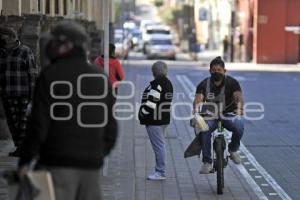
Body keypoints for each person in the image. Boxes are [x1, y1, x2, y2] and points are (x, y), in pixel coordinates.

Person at [18, 21, 118, 200]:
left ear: (66, 45)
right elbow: (111, 128)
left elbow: (38, 124)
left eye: (55, 42)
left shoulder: (51, 75)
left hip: (58, 165)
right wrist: (97, 154)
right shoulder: (100, 77)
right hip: (91, 167)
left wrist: (25, 160)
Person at [193, 56, 244, 174]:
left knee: (239, 126)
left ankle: (233, 149)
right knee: (204, 130)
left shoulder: (232, 82)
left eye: (219, 70)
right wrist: (196, 112)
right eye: (214, 70)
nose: (216, 72)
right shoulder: (204, 84)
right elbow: (198, 99)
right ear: (210, 71)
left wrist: (240, 108)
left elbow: (238, 97)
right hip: (211, 115)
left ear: (224, 71)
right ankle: (207, 162)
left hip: (229, 114)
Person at [0, 26, 39, 156]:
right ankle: (19, 148)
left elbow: (32, 74)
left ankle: (25, 149)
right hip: (7, 94)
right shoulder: (1, 52)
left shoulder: (25, 51)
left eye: (3, 36)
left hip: (24, 94)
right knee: (13, 123)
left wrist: (33, 97)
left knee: (23, 124)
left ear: (11, 37)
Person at [138, 61, 173, 180]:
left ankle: (160, 172)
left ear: (154, 71)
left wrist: (142, 113)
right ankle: (160, 170)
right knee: (160, 145)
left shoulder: (158, 84)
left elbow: (151, 103)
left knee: (158, 146)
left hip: (155, 120)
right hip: (162, 118)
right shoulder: (166, 82)